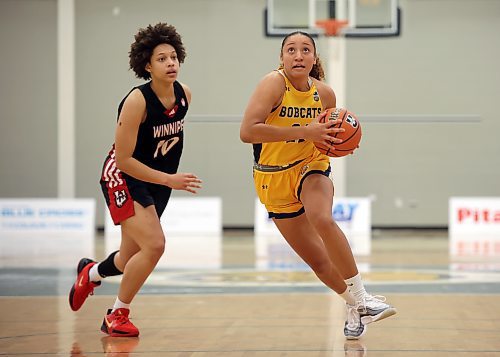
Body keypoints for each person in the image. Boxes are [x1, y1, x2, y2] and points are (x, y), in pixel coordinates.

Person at [240, 31, 396, 339]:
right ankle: (354, 305)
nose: (298, 55)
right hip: (273, 176)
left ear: (314, 58)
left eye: (305, 50)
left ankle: (363, 297)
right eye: (291, 50)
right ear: (282, 57)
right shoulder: (272, 84)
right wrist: (306, 131)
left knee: (322, 218)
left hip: (311, 166)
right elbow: (248, 131)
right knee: (321, 264)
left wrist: (341, 142)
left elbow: (327, 137)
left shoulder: (325, 94)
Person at [69, 23, 202, 337]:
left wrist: (164, 180)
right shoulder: (136, 101)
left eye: (173, 57)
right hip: (124, 175)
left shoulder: (185, 95)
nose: (171, 63)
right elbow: (126, 160)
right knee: (155, 245)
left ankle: (92, 273)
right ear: (147, 65)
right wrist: (170, 179)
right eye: (161, 59)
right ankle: (117, 314)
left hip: (154, 179)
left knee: (130, 256)